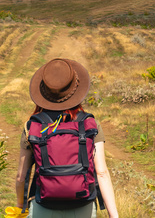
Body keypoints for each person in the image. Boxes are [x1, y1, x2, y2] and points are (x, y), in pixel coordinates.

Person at [15, 58, 119, 218]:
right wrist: (114, 215)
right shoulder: (90, 124)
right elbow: (102, 172)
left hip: (43, 206)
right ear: (76, 91)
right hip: (83, 205)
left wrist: (20, 206)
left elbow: (21, 176)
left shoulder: (32, 127)